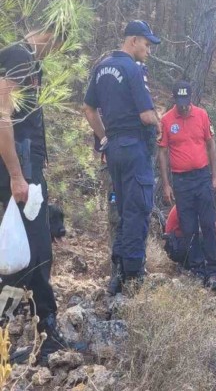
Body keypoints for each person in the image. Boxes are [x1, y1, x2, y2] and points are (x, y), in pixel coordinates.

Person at [0, 26, 71, 363]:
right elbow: (1, 117)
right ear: (50, 32)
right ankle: (47, 335)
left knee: (23, 258)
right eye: (59, 43)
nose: (56, 51)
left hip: (28, 170)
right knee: (36, 253)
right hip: (19, 172)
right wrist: (16, 176)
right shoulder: (16, 56)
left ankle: (12, 331)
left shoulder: (31, 62)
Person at [82, 20, 161, 295]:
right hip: (134, 148)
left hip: (113, 150)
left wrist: (104, 139)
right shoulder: (132, 69)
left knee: (124, 210)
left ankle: (117, 271)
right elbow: (146, 115)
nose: (148, 50)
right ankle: (133, 275)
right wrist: (159, 124)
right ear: (134, 41)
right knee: (138, 210)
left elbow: (89, 109)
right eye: (147, 44)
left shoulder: (101, 67)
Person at [158, 81, 216, 290]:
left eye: (187, 102)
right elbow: (163, 152)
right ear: (174, 99)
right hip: (181, 180)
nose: (184, 107)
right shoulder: (167, 120)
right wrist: (166, 185)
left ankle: (213, 270)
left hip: (202, 176)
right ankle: (196, 269)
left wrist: (215, 176)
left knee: (208, 224)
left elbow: (210, 144)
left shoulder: (202, 115)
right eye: (180, 102)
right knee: (189, 226)